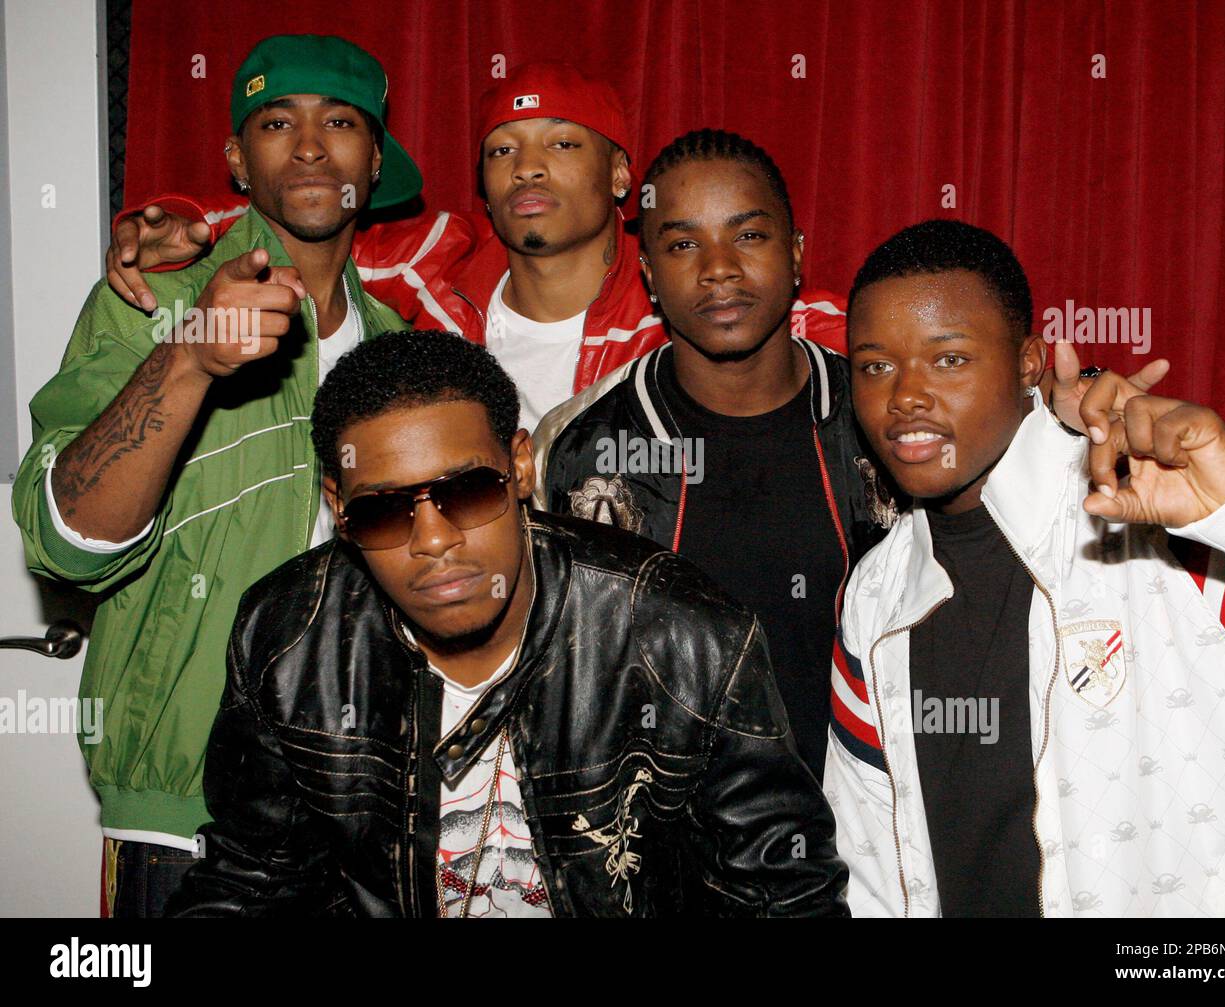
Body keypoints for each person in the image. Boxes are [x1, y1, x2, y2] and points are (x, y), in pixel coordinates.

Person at [167, 329, 848, 917]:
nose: (433, 541)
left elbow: (783, 892)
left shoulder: (681, 638)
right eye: (383, 511)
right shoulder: (289, 639)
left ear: (520, 467)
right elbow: (249, 877)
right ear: (338, 509)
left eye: (466, 491)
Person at [10, 34, 414, 916]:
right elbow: (63, 538)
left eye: (340, 121)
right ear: (236, 157)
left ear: (374, 158)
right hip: (184, 824)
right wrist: (187, 359)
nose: (310, 144)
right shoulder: (154, 301)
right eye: (277, 121)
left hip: (366, 823)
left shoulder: (401, 350)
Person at [825, 218, 1225, 917]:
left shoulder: (1164, 516)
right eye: (875, 365)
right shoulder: (875, 592)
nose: (905, 396)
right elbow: (868, 864)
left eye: (949, 358)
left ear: (1028, 363)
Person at [104, 64, 851, 429]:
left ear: (622, 173)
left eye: (561, 142)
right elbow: (305, 221)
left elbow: (847, 335)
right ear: (483, 186)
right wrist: (181, 216)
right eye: (502, 151)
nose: (528, 166)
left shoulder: (684, 296)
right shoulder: (436, 271)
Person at [532, 129, 886, 778]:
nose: (718, 266)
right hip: (667, 852)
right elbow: (565, 685)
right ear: (649, 273)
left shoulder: (877, 418)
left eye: (748, 235)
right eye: (684, 243)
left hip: (864, 844)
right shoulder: (580, 447)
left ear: (797, 253)